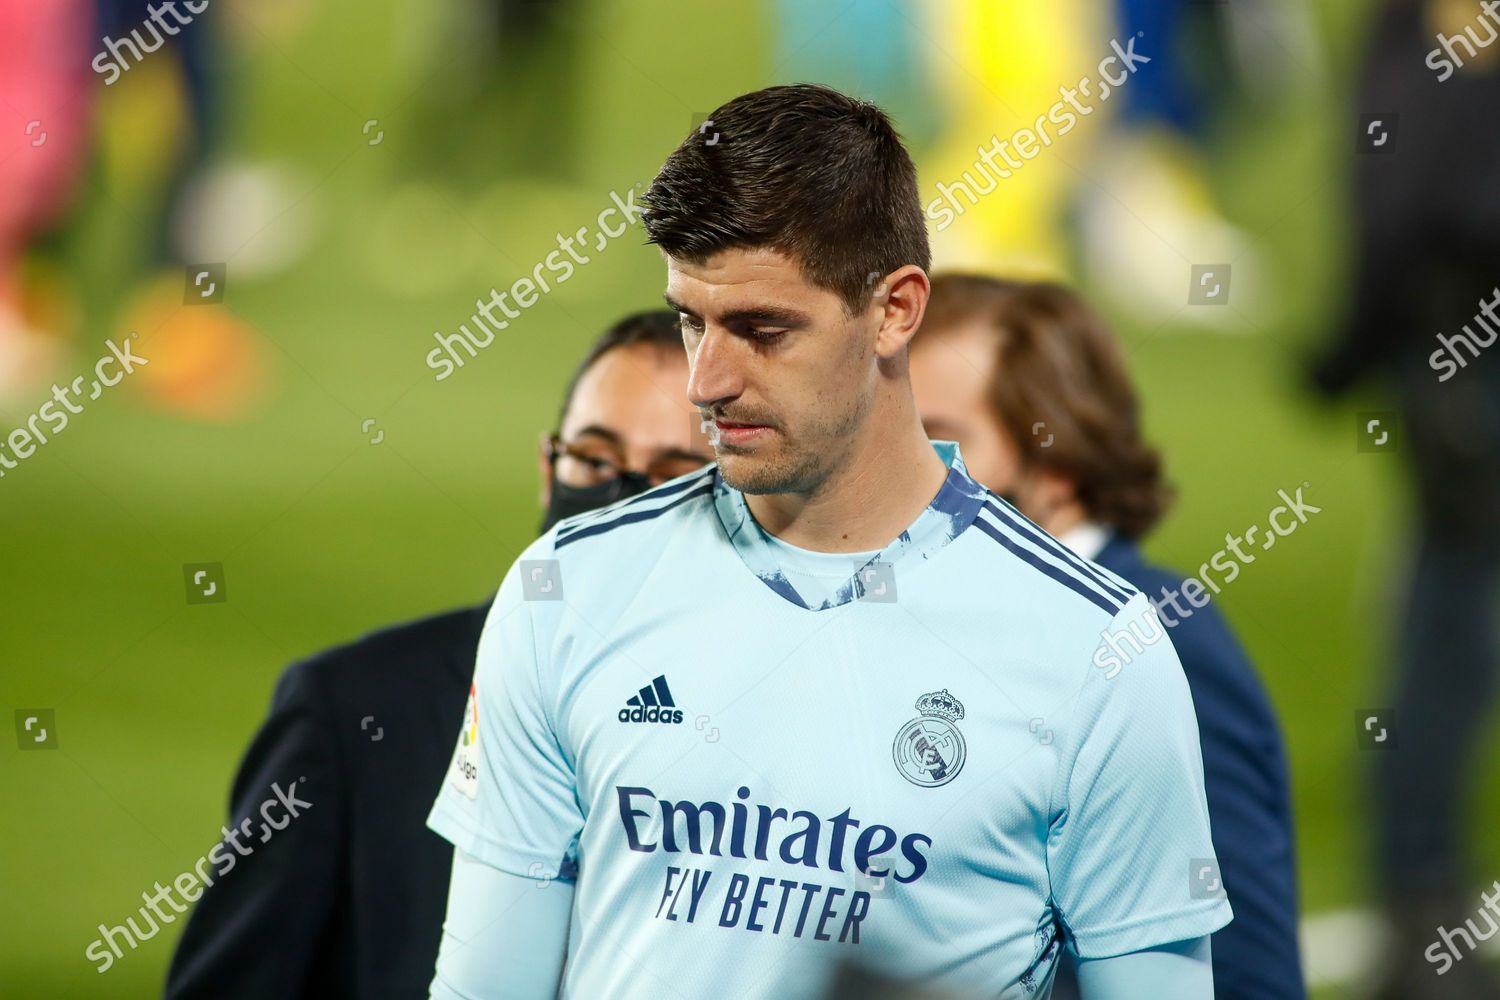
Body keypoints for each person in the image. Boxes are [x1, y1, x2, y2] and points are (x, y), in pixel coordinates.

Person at [426, 83, 1230, 1000]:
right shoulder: (567, 588)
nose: (707, 381)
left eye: (763, 330)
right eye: (692, 319)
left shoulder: (1094, 650)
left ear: (895, 309)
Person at [164, 310, 709, 998]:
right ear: (548, 469)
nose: (615, 500)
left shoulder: (766, 731)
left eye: (672, 475)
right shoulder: (349, 715)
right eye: (594, 460)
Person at [908, 274, 1304, 998]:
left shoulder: (1157, 653)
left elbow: (1245, 973)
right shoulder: (939, 618)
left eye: (940, 441)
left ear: (1056, 466)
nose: (896, 472)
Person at [1310, 3, 1500, 996]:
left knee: (1446, 629)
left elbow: (1406, 180)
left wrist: (1349, 346)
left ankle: (1421, 904)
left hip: (1458, 348)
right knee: (1451, 627)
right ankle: (1423, 913)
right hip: (1464, 353)